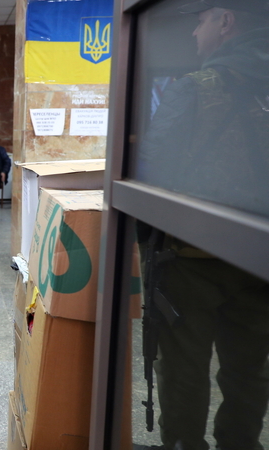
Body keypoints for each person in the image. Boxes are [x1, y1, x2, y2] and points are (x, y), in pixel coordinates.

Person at [135, 2, 269, 449]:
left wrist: (146, 247)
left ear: (225, 21)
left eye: (200, 21)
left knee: (183, 369)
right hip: (259, 259)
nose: (194, 33)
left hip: (190, 258)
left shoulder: (194, 88)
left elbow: (152, 173)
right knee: (249, 368)